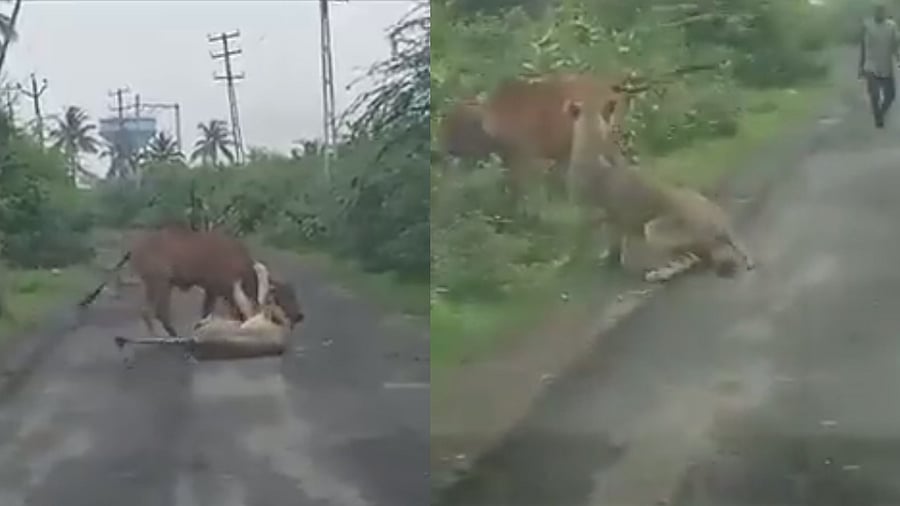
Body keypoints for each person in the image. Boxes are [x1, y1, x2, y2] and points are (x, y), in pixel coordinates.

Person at [859, 2, 900, 128]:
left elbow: (895, 45)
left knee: (891, 95)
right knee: (875, 94)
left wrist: (898, 58)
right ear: (874, 13)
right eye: (878, 11)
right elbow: (863, 47)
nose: (880, 14)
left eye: (882, 12)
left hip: (886, 65)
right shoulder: (867, 25)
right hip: (871, 65)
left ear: (885, 13)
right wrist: (860, 67)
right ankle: (878, 117)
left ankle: (880, 113)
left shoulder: (891, 26)